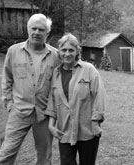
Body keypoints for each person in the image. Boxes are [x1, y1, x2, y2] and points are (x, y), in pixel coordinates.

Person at [0, 13, 59, 165]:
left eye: (41, 29)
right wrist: (9, 103)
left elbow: (58, 86)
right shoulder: (14, 51)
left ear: (47, 32)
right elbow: (7, 78)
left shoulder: (55, 55)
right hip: (19, 111)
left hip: (44, 113)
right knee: (6, 153)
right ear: (28, 29)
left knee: (44, 157)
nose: (37, 32)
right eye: (34, 28)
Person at [46, 33, 107, 165]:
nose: (67, 54)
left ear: (77, 51)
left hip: (87, 130)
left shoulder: (89, 70)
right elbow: (53, 101)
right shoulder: (55, 74)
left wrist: (96, 123)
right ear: (59, 51)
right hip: (64, 131)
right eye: (64, 50)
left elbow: (99, 95)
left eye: (71, 50)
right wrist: (51, 125)